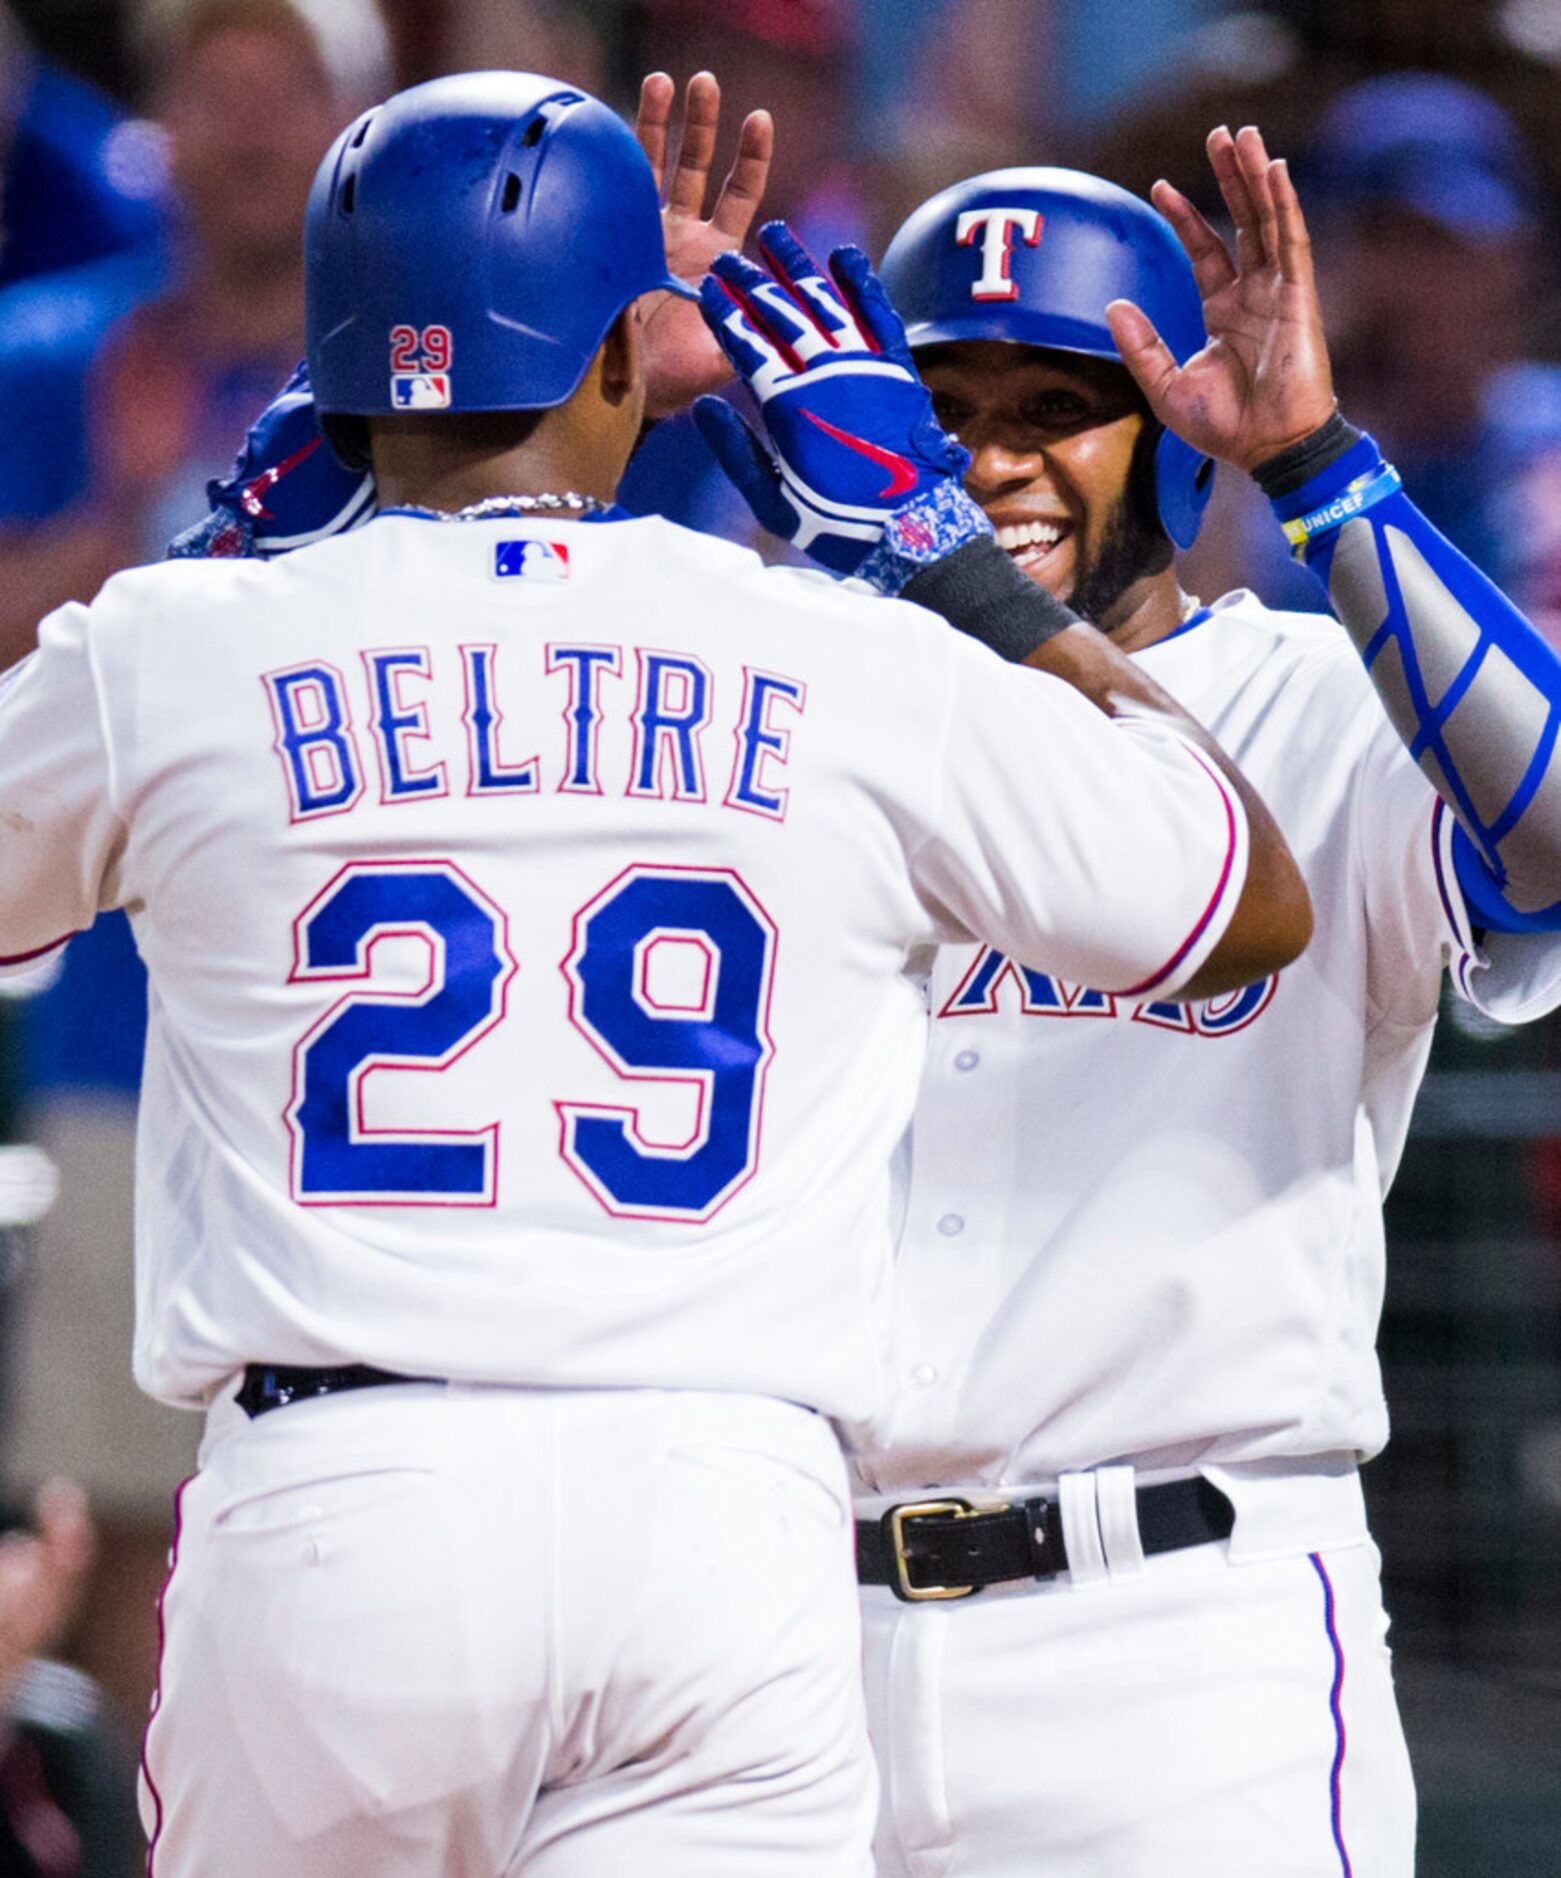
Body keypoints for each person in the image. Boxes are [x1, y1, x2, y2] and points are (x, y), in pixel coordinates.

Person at [0, 73, 1309, 1876]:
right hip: (713, 1516)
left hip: (336, 1507)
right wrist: (930, 545)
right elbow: (1236, 887)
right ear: (631, 356)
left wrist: (235, 538)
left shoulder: (171, 648)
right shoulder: (837, 650)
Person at [754, 132, 1559, 1876]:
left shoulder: (1318, 705)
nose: (991, 456)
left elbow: (1552, 829)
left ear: (1166, 431)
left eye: (1058, 402)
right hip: (794, 1650)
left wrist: (1320, 468)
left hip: (1184, 1647)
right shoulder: (796, 725)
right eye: (942, 401)